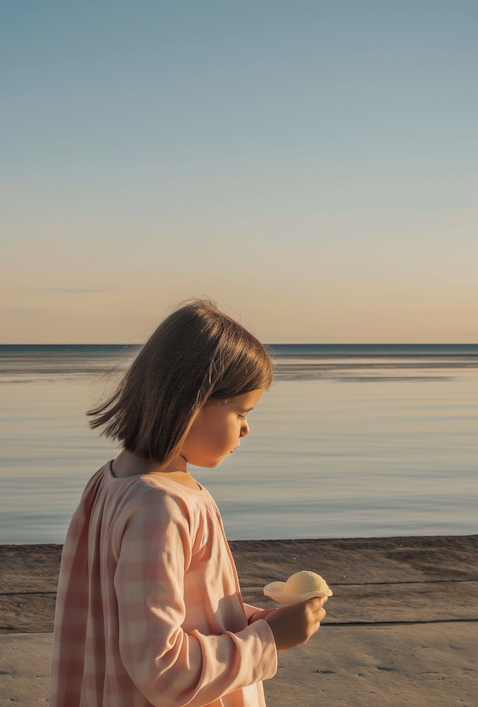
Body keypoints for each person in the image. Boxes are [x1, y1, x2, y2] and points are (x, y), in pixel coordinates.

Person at [50, 299, 327, 707]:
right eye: (241, 412)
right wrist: (267, 640)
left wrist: (253, 620)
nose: (248, 429)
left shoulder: (109, 483)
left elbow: (145, 613)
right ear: (192, 403)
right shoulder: (162, 506)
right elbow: (163, 670)